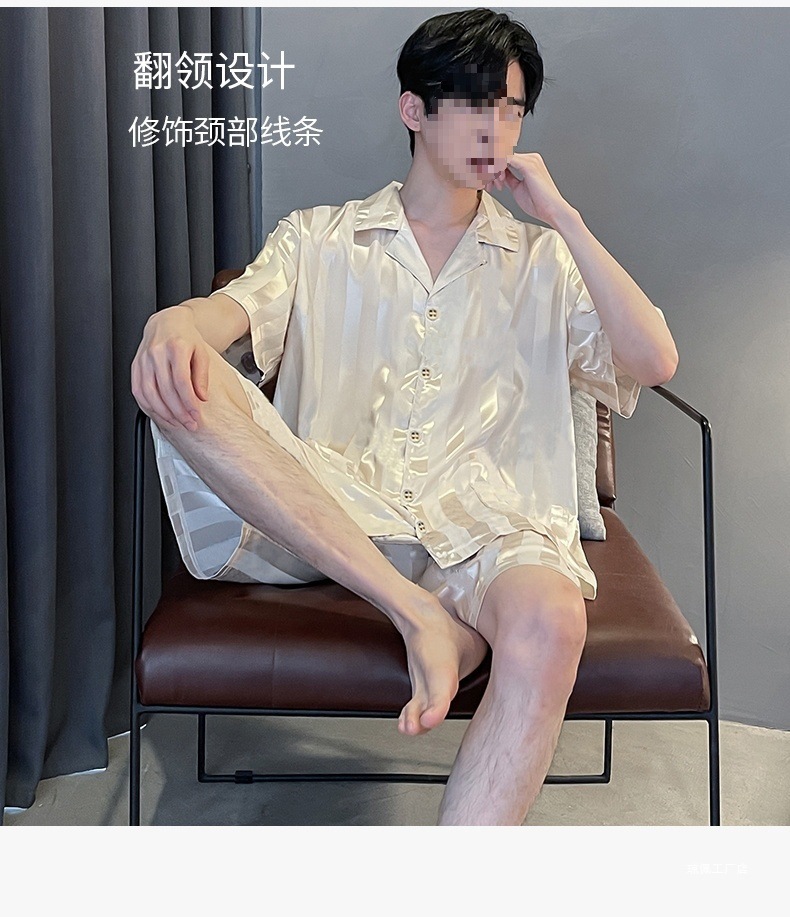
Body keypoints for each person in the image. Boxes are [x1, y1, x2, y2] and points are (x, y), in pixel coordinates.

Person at [131, 8, 678, 825]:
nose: (495, 128)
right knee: (179, 374)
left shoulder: (545, 260)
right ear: (414, 109)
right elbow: (231, 315)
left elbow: (654, 361)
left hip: (489, 522)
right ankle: (414, 607)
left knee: (553, 614)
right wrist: (174, 322)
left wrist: (562, 216)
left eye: (512, 109)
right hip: (335, 510)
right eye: (474, 103)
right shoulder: (319, 239)